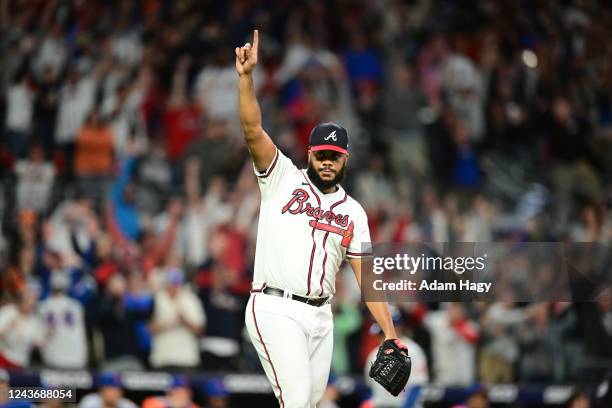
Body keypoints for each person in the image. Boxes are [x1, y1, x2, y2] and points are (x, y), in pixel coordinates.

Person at [236, 30, 410, 407]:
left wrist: (390, 333)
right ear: (309, 153)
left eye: (335, 155)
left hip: (321, 318)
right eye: (321, 154)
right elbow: (252, 130)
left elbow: (369, 279)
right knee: (297, 401)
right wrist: (247, 80)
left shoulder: (354, 213)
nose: (327, 162)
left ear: (346, 158)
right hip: (275, 307)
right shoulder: (282, 177)